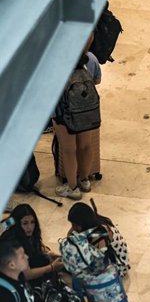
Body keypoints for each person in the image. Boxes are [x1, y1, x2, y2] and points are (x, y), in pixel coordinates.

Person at [53, 35, 100, 200]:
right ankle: (84, 180)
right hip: (86, 111)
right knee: (86, 146)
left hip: (62, 111)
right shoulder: (91, 59)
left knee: (68, 149)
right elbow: (97, 80)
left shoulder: (54, 63)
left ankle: (72, 187)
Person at [0, 205, 63, 285]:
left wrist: (49, 253)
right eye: (25, 223)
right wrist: (52, 267)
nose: (30, 227)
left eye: (32, 222)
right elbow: (27, 275)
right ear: (18, 224)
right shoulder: (13, 243)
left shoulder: (25, 232)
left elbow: (37, 242)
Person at [67, 201, 130, 277]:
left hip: (116, 266)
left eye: (76, 225)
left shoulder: (100, 236)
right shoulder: (93, 222)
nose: (74, 228)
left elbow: (101, 264)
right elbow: (70, 236)